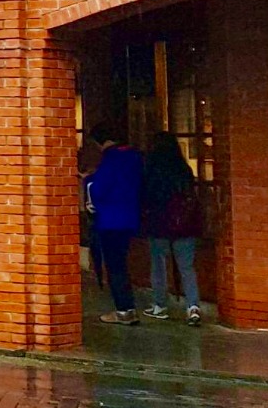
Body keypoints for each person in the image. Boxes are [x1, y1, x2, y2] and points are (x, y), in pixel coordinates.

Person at [140, 131, 203, 326]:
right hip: (184, 224)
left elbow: (146, 193)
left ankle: (160, 305)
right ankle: (193, 306)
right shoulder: (183, 168)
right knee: (187, 267)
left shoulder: (152, 167)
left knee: (159, 265)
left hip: (159, 222)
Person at [85, 124, 145, 325]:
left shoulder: (110, 159)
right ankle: (129, 308)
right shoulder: (135, 157)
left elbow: (99, 188)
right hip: (131, 217)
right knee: (122, 264)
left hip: (110, 219)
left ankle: (123, 310)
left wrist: (89, 182)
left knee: (114, 266)